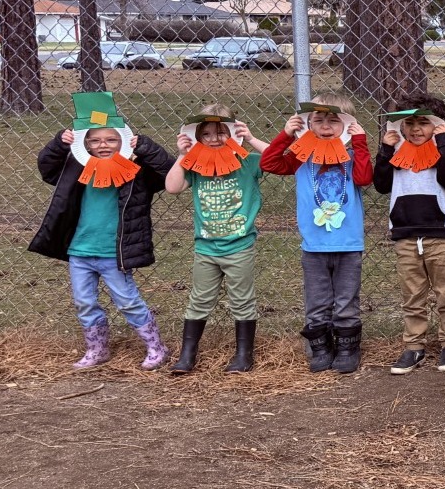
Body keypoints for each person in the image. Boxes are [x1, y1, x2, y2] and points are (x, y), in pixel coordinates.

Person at [29, 92, 175, 370]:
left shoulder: (135, 170)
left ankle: (156, 347)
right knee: (84, 302)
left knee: (128, 301)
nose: (103, 145)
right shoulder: (75, 166)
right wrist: (59, 143)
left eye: (111, 140)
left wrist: (145, 147)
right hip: (80, 251)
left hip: (113, 252)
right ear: (85, 144)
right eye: (95, 140)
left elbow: (167, 172)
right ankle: (97, 349)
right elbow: (47, 167)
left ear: (123, 140)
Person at [261, 95, 373, 373]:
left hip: (348, 244)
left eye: (333, 120)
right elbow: (270, 163)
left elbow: (364, 178)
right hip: (314, 246)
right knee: (317, 300)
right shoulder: (302, 158)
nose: (325, 126)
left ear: (347, 125)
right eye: (318, 120)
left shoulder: (351, 157)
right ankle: (321, 347)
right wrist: (286, 135)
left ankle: (347, 347)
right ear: (308, 125)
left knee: (346, 300)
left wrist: (359, 142)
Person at [163, 105, 271, 374]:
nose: (214, 138)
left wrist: (251, 138)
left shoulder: (247, 162)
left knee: (242, 301)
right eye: (206, 134)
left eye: (221, 132)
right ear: (197, 137)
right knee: (199, 300)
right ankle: (187, 355)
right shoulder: (196, 165)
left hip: (239, 246)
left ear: (234, 133)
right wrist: (183, 155)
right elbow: (172, 187)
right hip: (206, 248)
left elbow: (277, 159)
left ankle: (243, 355)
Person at [375, 95, 445, 375]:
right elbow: (381, 184)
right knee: (412, 295)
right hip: (406, 234)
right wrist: (385, 151)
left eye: (424, 123)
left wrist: (444, 142)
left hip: (440, 234)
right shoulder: (396, 151)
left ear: (438, 124)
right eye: (409, 123)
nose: (416, 129)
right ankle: (414, 346)